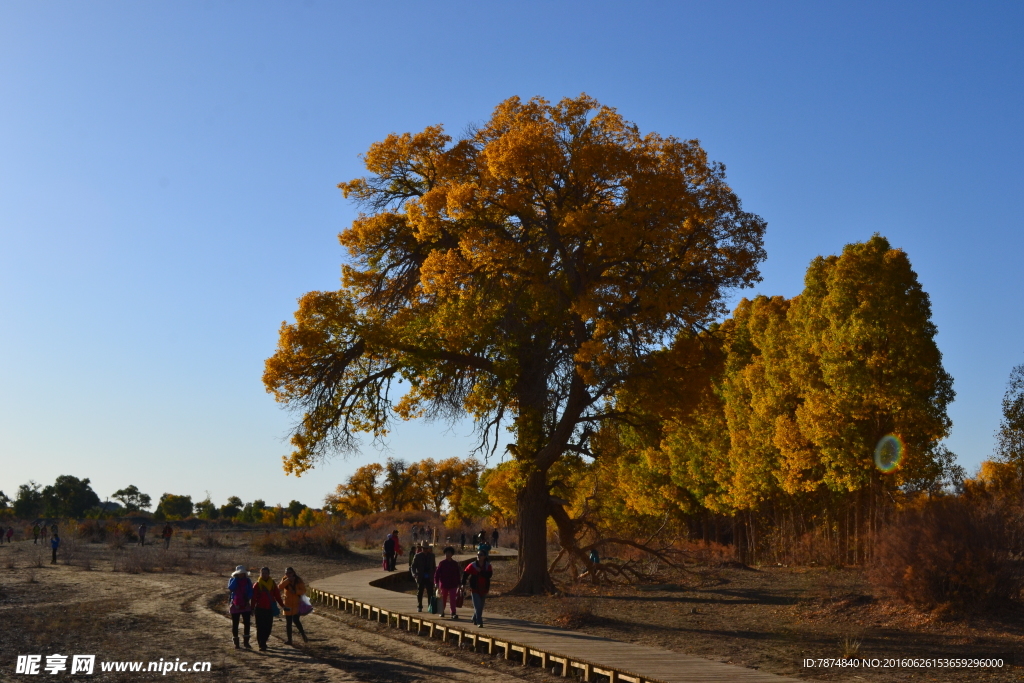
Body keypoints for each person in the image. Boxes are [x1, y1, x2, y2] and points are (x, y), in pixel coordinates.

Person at [252, 567, 285, 651]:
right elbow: (253, 598)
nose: (264, 575)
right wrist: (252, 608)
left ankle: (264, 641)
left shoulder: (272, 584)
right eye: (262, 573)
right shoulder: (257, 584)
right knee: (260, 627)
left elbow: (277, 596)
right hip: (259, 609)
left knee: (268, 627)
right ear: (260, 574)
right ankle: (261, 644)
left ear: (269, 574)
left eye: (266, 573)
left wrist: (282, 605)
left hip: (269, 609)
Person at [462, 550, 493, 628]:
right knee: (478, 606)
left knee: (481, 606)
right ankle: (479, 621)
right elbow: (465, 574)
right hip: (475, 588)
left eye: (481, 555)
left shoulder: (488, 566)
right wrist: (463, 584)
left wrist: (481, 572)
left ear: (485, 556)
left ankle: (474, 618)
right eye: (478, 554)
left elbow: (489, 575)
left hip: (484, 588)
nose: (479, 556)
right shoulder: (472, 565)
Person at [278, 566, 308, 644]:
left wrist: (296, 592)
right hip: (287, 604)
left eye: (290, 573)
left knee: (296, 620)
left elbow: (303, 591)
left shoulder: (298, 580)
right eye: (286, 573)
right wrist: (287, 580)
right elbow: (280, 587)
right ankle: (289, 640)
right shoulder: (285, 579)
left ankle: (303, 634)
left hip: (296, 604)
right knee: (288, 623)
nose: (288, 574)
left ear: (293, 572)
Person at [227, 565, 254, 649]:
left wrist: (248, 598)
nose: (241, 574)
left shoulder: (248, 581)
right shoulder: (232, 580)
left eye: (242, 573)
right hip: (235, 604)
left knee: (247, 623)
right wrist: (235, 579)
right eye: (239, 573)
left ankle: (246, 642)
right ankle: (236, 643)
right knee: (235, 624)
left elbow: (251, 591)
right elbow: (231, 588)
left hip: (245, 604)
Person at [433, 546, 461, 619]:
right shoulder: (442, 563)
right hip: (443, 584)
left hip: (453, 584)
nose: (447, 554)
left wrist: (459, 584)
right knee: (443, 599)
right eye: (446, 553)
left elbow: (458, 574)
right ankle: (441, 611)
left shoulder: (455, 564)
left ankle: (453, 613)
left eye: (449, 553)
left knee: (453, 599)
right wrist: (436, 582)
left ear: (452, 554)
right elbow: (437, 574)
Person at [410, 543, 436, 612]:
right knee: (420, 592)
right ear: (421, 548)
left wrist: (434, 575)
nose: (425, 550)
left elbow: (434, 567)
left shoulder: (432, 556)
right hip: (420, 576)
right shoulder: (417, 556)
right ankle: (419, 606)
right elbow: (413, 566)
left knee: (430, 592)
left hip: (429, 576)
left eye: (426, 548)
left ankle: (429, 606)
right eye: (424, 548)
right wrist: (414, 574)